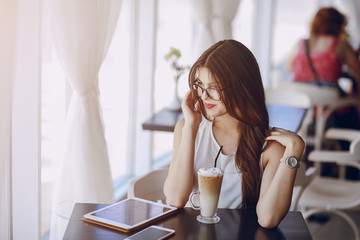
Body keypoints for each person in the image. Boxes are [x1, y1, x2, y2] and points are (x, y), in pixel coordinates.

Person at [163, 39, 305, 228]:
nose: (204, 96)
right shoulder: (186, 127)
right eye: (200, 84)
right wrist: (190, 126)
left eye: (213, 87)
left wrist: (295, 150)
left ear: (242, 87)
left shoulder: (270, 147)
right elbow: (175, 198)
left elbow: (268, 218)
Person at [287, 7, 360, 125]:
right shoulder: (340, 44)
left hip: (300, 106)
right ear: (338, 24)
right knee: (353, 100)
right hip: (327, 107)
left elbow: (288, 67)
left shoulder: (301, 43)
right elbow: (358, 72)